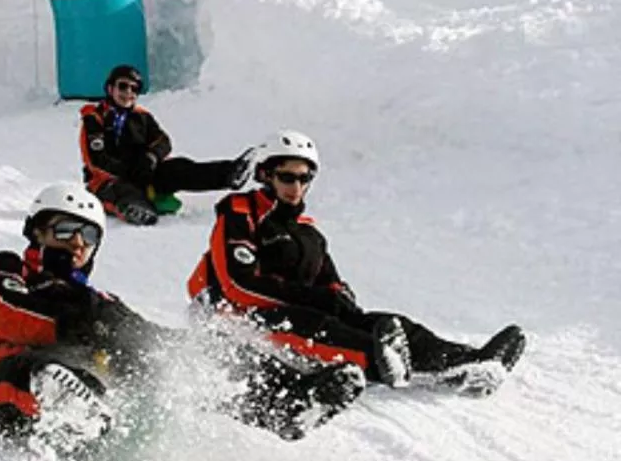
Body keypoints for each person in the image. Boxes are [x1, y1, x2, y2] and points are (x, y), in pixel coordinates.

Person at [0, 183, 365, 457]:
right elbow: (5, 313)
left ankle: (284, 402)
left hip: (66, 388)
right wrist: (83, 322)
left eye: (88, 236)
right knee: (31, 363)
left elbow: (148, 341)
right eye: (65, 230)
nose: (76, 243)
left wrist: (186, 358)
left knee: (170, 354)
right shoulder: (8, 270)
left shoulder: (98, 301)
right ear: (37, 232)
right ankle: (68, 404)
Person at [186, 130, 527, 395]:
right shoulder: (240, 214)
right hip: (231, 320)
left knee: (384, 322)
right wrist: (319, 299)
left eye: (304, 178)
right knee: (312, 321)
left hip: (290, 311)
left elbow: (328, 281)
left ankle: (466, 363)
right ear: (267, 175)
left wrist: (340, 297)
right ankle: (378, 361)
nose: (296, 186)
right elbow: (238, 286)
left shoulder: (308, 232)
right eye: (287, 177)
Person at [79, 64, 257, 226]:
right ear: (110, 88)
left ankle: (230, 174)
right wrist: (130, 171)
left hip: (144, 174)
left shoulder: (141, 117)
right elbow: (96, 160)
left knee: (179, 168)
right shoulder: (95, 119)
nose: (128, 93)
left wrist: (151, 157)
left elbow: (163, 141)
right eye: (123, 86)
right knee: (120, 192)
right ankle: (136, 209)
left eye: (134, 89)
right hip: (107, 179)